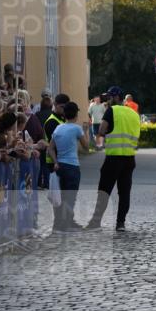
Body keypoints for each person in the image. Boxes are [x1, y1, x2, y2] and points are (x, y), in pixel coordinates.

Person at [84, 86, 141, 232]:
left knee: (104, 190)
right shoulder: (134, 114)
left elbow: (102, 130)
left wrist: (102, 137)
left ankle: (95, 222)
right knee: (124, 192)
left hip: (113, 158)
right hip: (129, 159)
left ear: (116, 97)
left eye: (109, 97)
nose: (107, 100)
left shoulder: (112, 111)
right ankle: (120, 223)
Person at [48, 101, 89, 233]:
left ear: (64, 114)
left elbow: (50, 148)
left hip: (60, 166)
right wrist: (86, 131)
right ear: (76, 114)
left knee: (60, 196)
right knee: (70, 196)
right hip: (72, 166)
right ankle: (66, 225)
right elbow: (86, 147)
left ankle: (58, 224)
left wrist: (55, 162)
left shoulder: (58, 128)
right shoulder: (77, 128)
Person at [43, 93, 70, 189]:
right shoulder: (52, 122)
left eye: (66, 107)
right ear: (55, 104)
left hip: (63, 160)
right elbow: (55, 145)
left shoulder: (63, 119)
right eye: (62, 107)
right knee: (58, 195)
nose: (64, 109)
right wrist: (56, 162)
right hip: (55, 161)